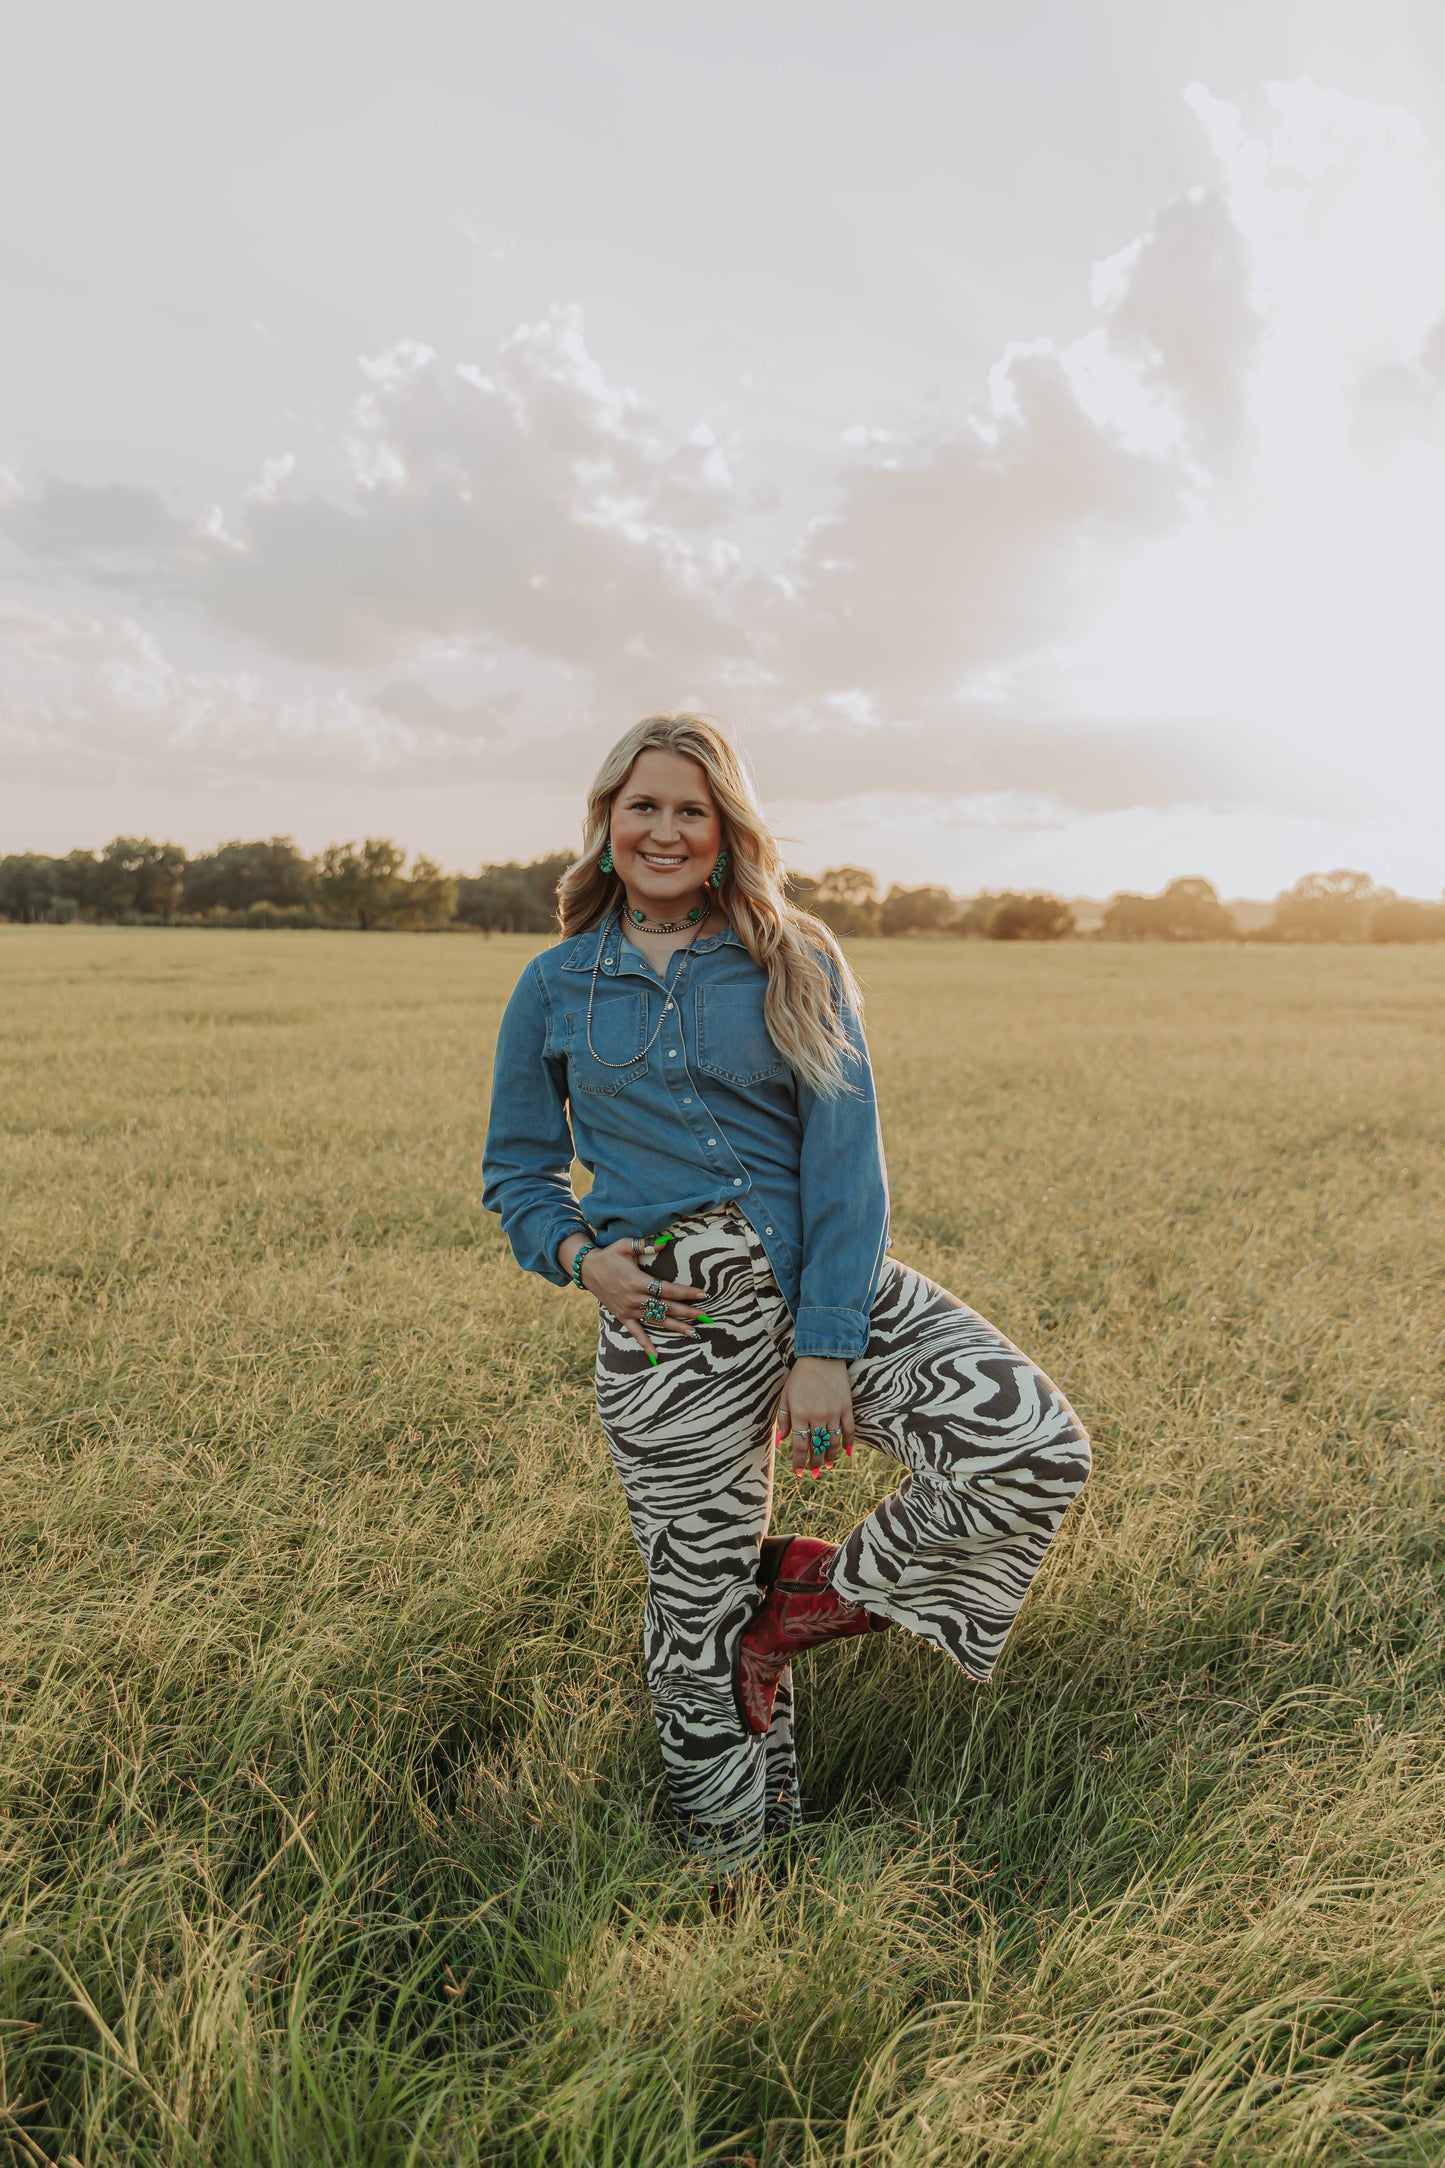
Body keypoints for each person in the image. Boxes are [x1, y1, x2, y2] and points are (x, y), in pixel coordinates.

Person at [482, 712, 1090, 1878]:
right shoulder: (555, 981)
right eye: (642, 806)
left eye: (691, 809)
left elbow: (845, 1160)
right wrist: (578, 1255)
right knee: (691, 1612)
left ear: (726, 830)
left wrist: (826, 1343)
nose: (665, 829)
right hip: (666, 1322)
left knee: (1030, 1445)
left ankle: (797, 1609)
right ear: (606, 825)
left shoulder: (792, 954)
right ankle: (738, 1868)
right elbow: (516, 1165)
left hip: (820, 1280)